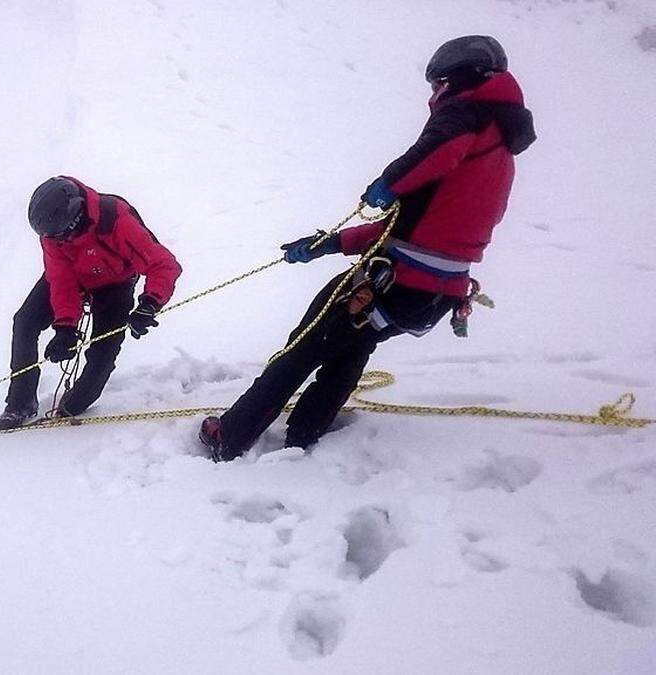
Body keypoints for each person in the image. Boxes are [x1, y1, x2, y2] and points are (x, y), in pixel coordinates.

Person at [199, 35, 536, 461]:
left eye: (437, 86)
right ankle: (303, 434)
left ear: (456, 81)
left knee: (304, 346)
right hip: (434, 293)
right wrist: (330, 244)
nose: (433, 96)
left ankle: (230, 436)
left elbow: (430, 154)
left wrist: (388, 183)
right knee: (353, 343)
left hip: (394, 281)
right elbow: (417, 229)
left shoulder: (467, 117)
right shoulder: (498, 149)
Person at [0, 176, 183, 428]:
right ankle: (21, 403)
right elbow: (61, 280)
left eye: (59, 235)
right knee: (25, 322)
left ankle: (75, 403)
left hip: (115, 283)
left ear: (75, 217)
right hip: (75, 276)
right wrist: (65, 327)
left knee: (103, 350)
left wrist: (150, 303)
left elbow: (163, 264)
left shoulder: (115, 219)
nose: (55, 241)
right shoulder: (52, 234)